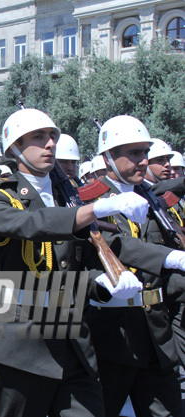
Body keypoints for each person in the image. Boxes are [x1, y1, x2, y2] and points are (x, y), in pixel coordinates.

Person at [0, 107, 148, 417]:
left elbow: (87, 258)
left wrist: (103, 283)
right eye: (38, 137)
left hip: (74, 340)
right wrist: (92, 211)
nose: (50, 144)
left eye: (52, 136)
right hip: (22, 340)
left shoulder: (69, 195)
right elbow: (28, 224)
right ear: (14, 147)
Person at [86, 116, 185, 417]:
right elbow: (117, 248)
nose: (143, 161)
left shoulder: (151, 199)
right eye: (134, 153)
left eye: (145, 152)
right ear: (108, 158)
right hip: (114, 337)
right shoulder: (90, 202)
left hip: (156, 334)